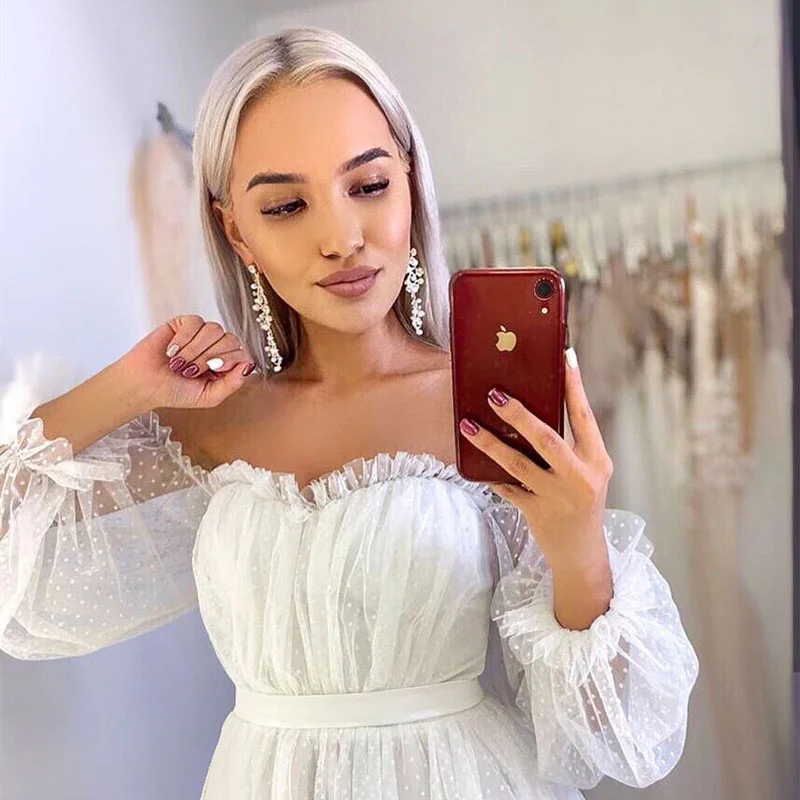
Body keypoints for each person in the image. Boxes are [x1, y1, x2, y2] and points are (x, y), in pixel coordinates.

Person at [0, 27, 699, 799]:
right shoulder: (213, 423)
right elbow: (12, 547)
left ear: (409, 182)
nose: (341, 238)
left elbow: (616, 737)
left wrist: (580, 550)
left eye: (367, 186)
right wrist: (129, 384)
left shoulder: (485, 411)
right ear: (236, 231)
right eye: (286, 205)